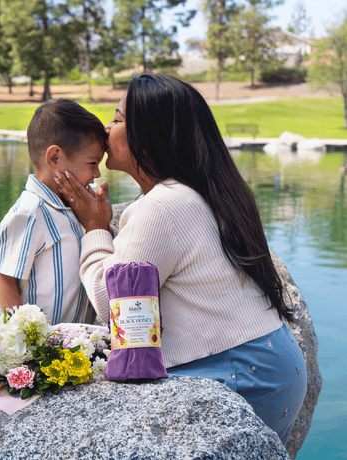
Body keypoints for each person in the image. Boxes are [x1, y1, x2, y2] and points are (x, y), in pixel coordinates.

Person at [55, 74, 307, 444]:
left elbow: (113, 305)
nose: (107, 129)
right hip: (269, 361)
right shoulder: (199, 190)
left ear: (149, 135)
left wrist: (95, 229)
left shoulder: (162, 206)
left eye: (119, 118)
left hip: (241, 374)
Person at [0, 98, 107, 325]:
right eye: (92, 163)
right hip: (45, 351)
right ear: (54, 158)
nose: (97, 174)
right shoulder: (30, 213)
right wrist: (26, 338)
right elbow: (4, 277)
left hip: (75, 350)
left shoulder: (73, 207)